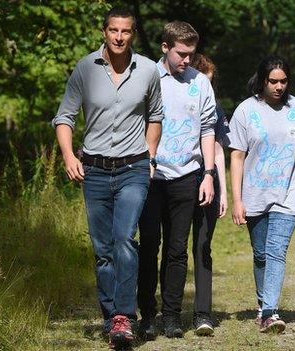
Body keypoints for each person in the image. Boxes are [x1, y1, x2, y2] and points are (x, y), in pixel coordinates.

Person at [52, 7, 163, 349]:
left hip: (133, 168)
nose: (119, 37)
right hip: (95, 170)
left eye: (125, 31)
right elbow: (64, 117)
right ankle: (110, 316)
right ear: (104, 31)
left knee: (124, 239)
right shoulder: (85, 68)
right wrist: (70, 156)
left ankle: (124, 316)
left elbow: (156, 116)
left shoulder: (148, 70)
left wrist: (151, 156)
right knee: (103, 251)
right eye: (113, 30)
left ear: (133, 33)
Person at [136, 21, 216, 340]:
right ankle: (147, 314)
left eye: (191, 54)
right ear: (165, 48)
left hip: (187, 175)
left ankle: (172, 316)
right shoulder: (146, 77)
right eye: (182, 54)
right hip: (151, 176)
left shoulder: (200, 83)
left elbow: (208, 128)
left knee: (177, 249)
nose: (187, 60)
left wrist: (208, 173)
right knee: (149, 246)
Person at [228, 55, 295, 334]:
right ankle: (262, 304)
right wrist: (237, 199)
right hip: (254, 193)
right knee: (261, 254)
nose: (279, 87)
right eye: (273, 81)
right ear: (262, 80)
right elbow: (237, 156)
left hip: (289, 193)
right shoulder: (246, 110)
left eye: (283, 81)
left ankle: (270, 311)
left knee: (276, 251)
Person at [187, 52, 230, 335]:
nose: (208, 90)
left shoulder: (216, 109)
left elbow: (218, 150)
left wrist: (224, 190)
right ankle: (167, 310)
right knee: (173, 249)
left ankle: (203, 313)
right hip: (176, 180)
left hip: (209, 183)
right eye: (204, 83)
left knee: (203, 247)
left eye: (211, 84)